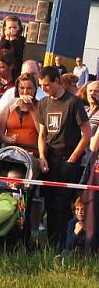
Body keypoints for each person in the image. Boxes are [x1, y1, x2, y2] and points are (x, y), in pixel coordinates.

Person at [37, 66, 92, 250]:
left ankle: (65, 244)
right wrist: (42, 156)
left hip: (69, 159)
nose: (44, 89)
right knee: (50, 203)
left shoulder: (73, 103)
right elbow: (42, 133)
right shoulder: (43, 103)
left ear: (57, 81)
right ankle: (52, 243)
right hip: (50, 158)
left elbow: (86, 133)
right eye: (41, 85)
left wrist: (72, 159)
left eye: (47, 85)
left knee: (64, 204)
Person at [0, 73, 41, 156]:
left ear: (35, 89)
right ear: (17, 89)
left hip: (32, 152)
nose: (25, 92)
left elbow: (43, 133)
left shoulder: (40, 106)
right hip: (11, 151)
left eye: (29, 88)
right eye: (22, 88)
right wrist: (9, 139)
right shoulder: (10, 105)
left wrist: (32, 110)